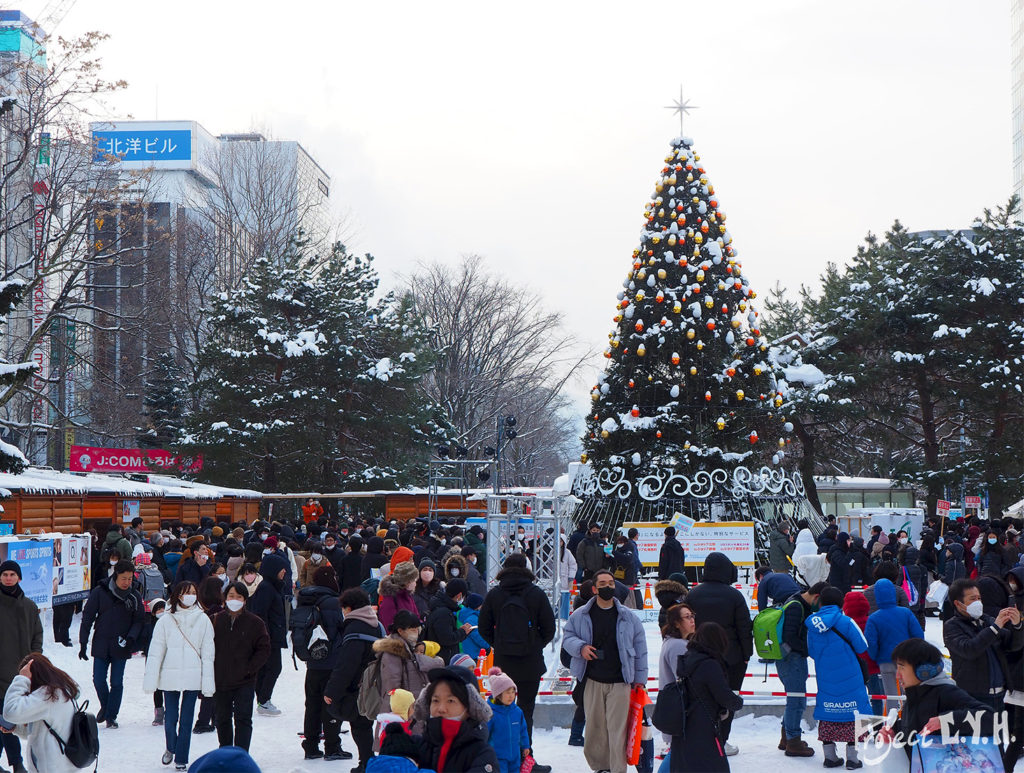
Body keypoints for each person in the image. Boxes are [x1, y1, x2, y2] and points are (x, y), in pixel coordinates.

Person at [562, 569, 648, 773]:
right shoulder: (581, 615)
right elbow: (567, 637)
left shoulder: (628, 617)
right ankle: (600, 767)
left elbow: (641, 649)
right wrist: (581, 647)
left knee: (617, 730)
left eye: (610, 583)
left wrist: (640, 680)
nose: (608, 587)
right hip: (592, 679)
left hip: (621, 681)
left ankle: (617, 769)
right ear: (594, 588)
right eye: (603, 583)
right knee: (595, 729)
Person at [477, 552, 556, 765]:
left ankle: (500, 757)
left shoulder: (495, 594)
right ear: (526, 567)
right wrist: (534, 644)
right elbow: (550, 627)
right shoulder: (536, 593)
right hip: (530, 663)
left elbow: (483, 627)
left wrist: (499, 643)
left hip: (504, 664)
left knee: (500, 710)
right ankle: (527, 760)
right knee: (525, 711)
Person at [881, 638, 995, 763]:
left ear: (923, 670)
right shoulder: (914, 696)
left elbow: (989, 718)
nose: (897, 675)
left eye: (902, 668)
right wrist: (895, 734)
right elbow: (914, 734)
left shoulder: (947, 693)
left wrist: (945, 721)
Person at [143, 581, 216, 771]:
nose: (190, 596)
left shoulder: (203, 620)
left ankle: (181, 757)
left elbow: (208, 654)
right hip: (170, 675)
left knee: (186, 719)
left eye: (193, 592)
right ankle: (170, 747)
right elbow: (156, 651)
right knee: (170, 718)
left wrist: (208, 683)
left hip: (193, 676)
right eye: (186, 592)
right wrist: (151, 679)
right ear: (178, 595)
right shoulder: (166, 620)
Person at [684, 552, 751, 754]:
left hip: (699, 657)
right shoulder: (735, 595)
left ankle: (702, 740)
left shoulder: (693, 594)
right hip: (731, 658)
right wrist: (747, 654)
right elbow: (744, 628)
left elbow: (686, 625)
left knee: (701, 699)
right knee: (728, 699)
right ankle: (721, 741)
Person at [804, 585, 871, 769]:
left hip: (825, 677)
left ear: (821, 602)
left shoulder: (812, 626)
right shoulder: (847, 622)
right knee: (855, 715)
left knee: (828, 714)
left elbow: (812, 652)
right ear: (841, 603)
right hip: (851, 677)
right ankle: (852, 759)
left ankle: (830, 757)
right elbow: (862, 646)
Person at [670, 622, 744, 773]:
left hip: (685, 724)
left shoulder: (688, 658)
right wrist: (738, 701)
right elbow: (724, 695)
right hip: (704, 725)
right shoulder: (709, 665)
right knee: (715, 766)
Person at [79, 558, 143, 729]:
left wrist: (131, 637)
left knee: (116, 682)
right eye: (124, 578)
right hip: (101, 642)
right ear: (116, 576)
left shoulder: (134, 595)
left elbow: (139, 621)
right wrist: (83, 642)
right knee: (98, 679)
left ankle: (111, 716)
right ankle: (106, 707)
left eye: (130, 579)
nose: (127, 582)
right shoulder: (100, 592)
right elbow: (87, 617)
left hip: (122, 644)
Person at [325, 588, 385, 773]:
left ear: (349, 608)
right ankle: (366, 762)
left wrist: (332, 691)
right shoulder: (377, 625)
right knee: (364, 724)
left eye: (343, 609)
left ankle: (367, 764)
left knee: (359, 726)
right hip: (375, 685)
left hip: (357, 687)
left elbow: (346, 665)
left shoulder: (355, 628)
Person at [943, 578, 1024, 711]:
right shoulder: (952, 626)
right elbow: (970, 649)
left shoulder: (986, 620)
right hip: (973, 695)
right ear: (958, 603)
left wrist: (1017, 626)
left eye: (979, 598)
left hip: (1001, 694)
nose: (978, 602)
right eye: (973, 599)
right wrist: (994, 628)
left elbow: (1012, 645)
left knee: (1003, 731)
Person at [298, 566, 350, 762]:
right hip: (331, 662)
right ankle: (332, 746)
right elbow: (337, 629)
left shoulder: (306, 599)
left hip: (313, 662)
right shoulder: (333, 602)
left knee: (311, 705)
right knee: (330, 703)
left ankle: (310, 746)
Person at [406, 665, 499, 773]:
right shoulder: (413, 746)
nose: (441, 709)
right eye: (435, 700)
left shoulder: (482, 754)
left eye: (450, 701)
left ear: (470, 708)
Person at [212, 582, 269, 752]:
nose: (234, 600)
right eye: (231, 596)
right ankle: (226, 751)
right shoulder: (215, 620)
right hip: (220, 679)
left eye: (239, 597)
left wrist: (250, 669)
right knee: (222, 718)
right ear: (225, 598)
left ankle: (241, 754)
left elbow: (264, 649)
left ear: (245, 600)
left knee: (243, 718)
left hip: (244, 680)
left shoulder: (255, 623)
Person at [2, 654, 79, 773]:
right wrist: (16, 728)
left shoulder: (48, 695)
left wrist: (22, 679)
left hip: (52, 768)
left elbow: (10, 712)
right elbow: (41, 731)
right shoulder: (61, 691)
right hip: (64, 765)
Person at [0, 560, 43, 773]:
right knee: (4, 719)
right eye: (5, 574)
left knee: (12, 720)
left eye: (12, 574)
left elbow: (38, 634)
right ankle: (16, 762)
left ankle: (17, 763)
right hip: (0, 673)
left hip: (21, 674)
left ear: (19, 577)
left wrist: (34, 659)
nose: (8, 578)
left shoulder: (29, 606)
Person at [776, 582, 826, 758]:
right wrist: (808, 650)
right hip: (791, 659)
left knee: (795, 698)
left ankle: (787, 737)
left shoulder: (796, 601)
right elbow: (789, 637)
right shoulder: (797, 607)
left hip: (791, 658)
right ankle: (793, 742)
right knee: (797, 700)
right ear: (817, 597)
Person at [865, 577, 924, 700]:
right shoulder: (906, 613)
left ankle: (893, 716)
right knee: (908, 693)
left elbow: (871, 642)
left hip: (885, 661)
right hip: (906, 659)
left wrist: (875, 656)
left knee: (890, 696)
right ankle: (909, 715)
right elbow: (918, 635)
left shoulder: (873, 618)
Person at [373, 609, 443, 707]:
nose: (416, 633)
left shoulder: (408, 647)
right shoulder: (393, 652)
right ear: (400, 631)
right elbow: (392, 686)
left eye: (417, 629)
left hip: (411, 708)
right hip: (403, 711)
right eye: (412, 630)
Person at [247, 552, 288, 717]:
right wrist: (265, 637)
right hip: (269, 637)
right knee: (273, 668)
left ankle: (262, 699)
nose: (284, 571)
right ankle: (263, 700)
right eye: (281, 568)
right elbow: (260, 614)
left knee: (267, 668)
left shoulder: (273, 586)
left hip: (273, 634)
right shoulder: (266, 588)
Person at [486, 668, 531, 773]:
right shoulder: (490, 713)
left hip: (515, 755)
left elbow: (523, 730)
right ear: (498, 695)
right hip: (498, 756)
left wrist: (525, 745)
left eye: (513, 692)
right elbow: (485, 733)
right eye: (507, 692)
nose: (511, 696)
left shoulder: (517, 712)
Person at [425, 579, 473, 665]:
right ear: (459, 595)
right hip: (442, 659)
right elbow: (447, 639)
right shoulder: (444, 613)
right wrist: (463, 632)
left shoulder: (441, 608)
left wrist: (460, 631)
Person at [377, 561, 420, 633]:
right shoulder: (390, 600)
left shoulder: (408, 595)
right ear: (406, 581)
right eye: (413, 580)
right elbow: (388, 627)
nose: (415, 583)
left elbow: (416, 616)